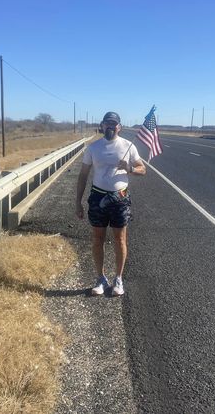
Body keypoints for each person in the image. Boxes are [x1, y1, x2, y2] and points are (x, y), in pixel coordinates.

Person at [75, 111, 146, 296]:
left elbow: (142, 169)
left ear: (119, 127)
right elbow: (83, 176)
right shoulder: (93, 148)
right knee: (97, 239)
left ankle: (118, 279)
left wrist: (129, 168)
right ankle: (100, 278)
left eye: (114, 124)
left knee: (119, 239)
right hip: (98, 198)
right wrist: (78, 202)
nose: (111, 127)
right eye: (107, 123)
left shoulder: (128, 146)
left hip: (120, 199)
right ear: (102, 125)